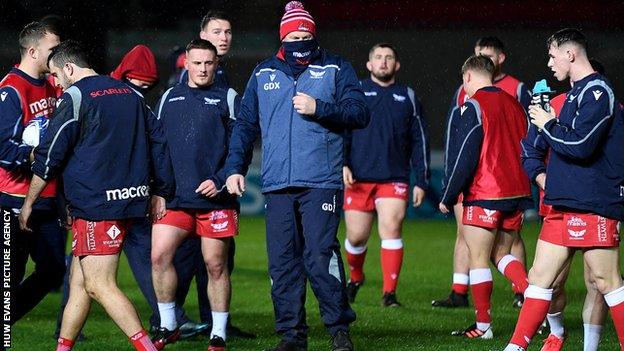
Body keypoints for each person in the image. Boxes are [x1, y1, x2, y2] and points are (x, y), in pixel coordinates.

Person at [223, 2, 369, 350]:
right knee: (283, 263)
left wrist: (320, 109)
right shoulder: (263, 73)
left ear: (314, 35)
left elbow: (359, 112)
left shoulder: (336, 67)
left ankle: (338, 329)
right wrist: (234, 169)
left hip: (321, 181)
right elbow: (245, 126)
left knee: (320, 258)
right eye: (293, 36)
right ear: (282, 38)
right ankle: (291, 335)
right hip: (276, 184)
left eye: (305, 35)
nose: (300, 41)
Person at [18, 40, 175, 351]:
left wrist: (29, 202)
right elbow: (159, 140)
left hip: (96, 205)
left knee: (99, 285)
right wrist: (161, 191)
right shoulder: (129, 93)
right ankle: (62, 348)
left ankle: (146, 347)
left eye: (55, 75)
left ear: (69, 68)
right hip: (131, 199)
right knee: (79, 283)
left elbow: (52, 155)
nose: (55, 82)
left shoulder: (75, 96)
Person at [503, 28, 624, 351]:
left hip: (593, 203)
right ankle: (515, 347)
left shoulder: (598, 91)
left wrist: (546, 123)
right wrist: (545, 176)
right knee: (540, 277)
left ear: (570, 54)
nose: (549, 62)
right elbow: (540, 147)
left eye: (553, 55)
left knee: (605, 282)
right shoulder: (572, 94)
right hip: (562, 203)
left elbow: (582, 146)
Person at [150, 39, 240, 351]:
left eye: (209, 63)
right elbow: (157, 148)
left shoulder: (228, 97)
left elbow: (238, 149)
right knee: (159, 256)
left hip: (216, 199)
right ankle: (168, 324)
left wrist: (220, 179)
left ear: (216, 64)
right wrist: (158, 190)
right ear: (186, 63)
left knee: (215, 265)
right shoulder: (168, 98)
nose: (202, 69)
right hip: (175, 197)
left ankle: (218, 333)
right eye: (197, 63)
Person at [432, 36, 533, 309]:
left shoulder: (473, 105)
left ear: (467, 76)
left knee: (479, 256)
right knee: (502, 252)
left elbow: (464, 154)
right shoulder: (515, 105)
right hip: (517, 191)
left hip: (485, 190)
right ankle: (533, 297)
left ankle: (483, 324)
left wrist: (449, 194)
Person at [522, 60, 609, 351]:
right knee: (548, 281)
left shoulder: (612, 111)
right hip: (557, 206)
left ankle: (590, 347)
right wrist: (543, 177)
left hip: (598, 205)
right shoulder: (554, 105)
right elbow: (530, 151)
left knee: (598, 282)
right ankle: (557, 332)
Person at [342, 43, 429, 307]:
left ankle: (389, 294)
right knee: (356, 237)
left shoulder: (408, 96)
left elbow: (419, 139)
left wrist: (421, 179)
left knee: (391, 228)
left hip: (394, 177)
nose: (383, 62)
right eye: (378, 58)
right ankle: (356, 277)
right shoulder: (355, 92)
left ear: (396, 65)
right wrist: (342, 163)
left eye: (389, 57)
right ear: (369, 65)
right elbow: (342, 129)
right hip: (358, 177)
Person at [0, 20, 65, 326]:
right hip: (12, 201)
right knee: (8, 278)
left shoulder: (53, 86)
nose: (58, 55)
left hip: (48, 200)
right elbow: (3, 150)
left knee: (53, 270)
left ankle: (5, 323)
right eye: (53, 50)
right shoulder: (11, 89)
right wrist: (39, 156)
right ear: (33, 51)